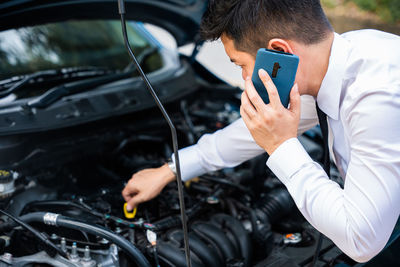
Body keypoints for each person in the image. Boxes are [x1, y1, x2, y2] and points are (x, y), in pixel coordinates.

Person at [122, 0, 400, 262]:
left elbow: (362, 240)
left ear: (278, 54)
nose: (244, 79)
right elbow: (247, 134)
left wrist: (281, 146)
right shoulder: (350, 52)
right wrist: (171, 169)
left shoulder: (375, 97)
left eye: (241, 65)